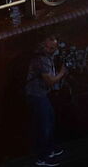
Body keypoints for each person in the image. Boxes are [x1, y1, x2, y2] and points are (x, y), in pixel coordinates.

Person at [25, 36, 67, 167]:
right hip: (36, 94)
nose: (50, 50)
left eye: (52, 48)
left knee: (49, 120)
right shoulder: (41, 60)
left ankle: (50, 149)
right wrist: (62, 73)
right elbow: (49, 81)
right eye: (48, 47)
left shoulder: (47, 57)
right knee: (45, 125)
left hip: (41, 93)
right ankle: (42, 157)